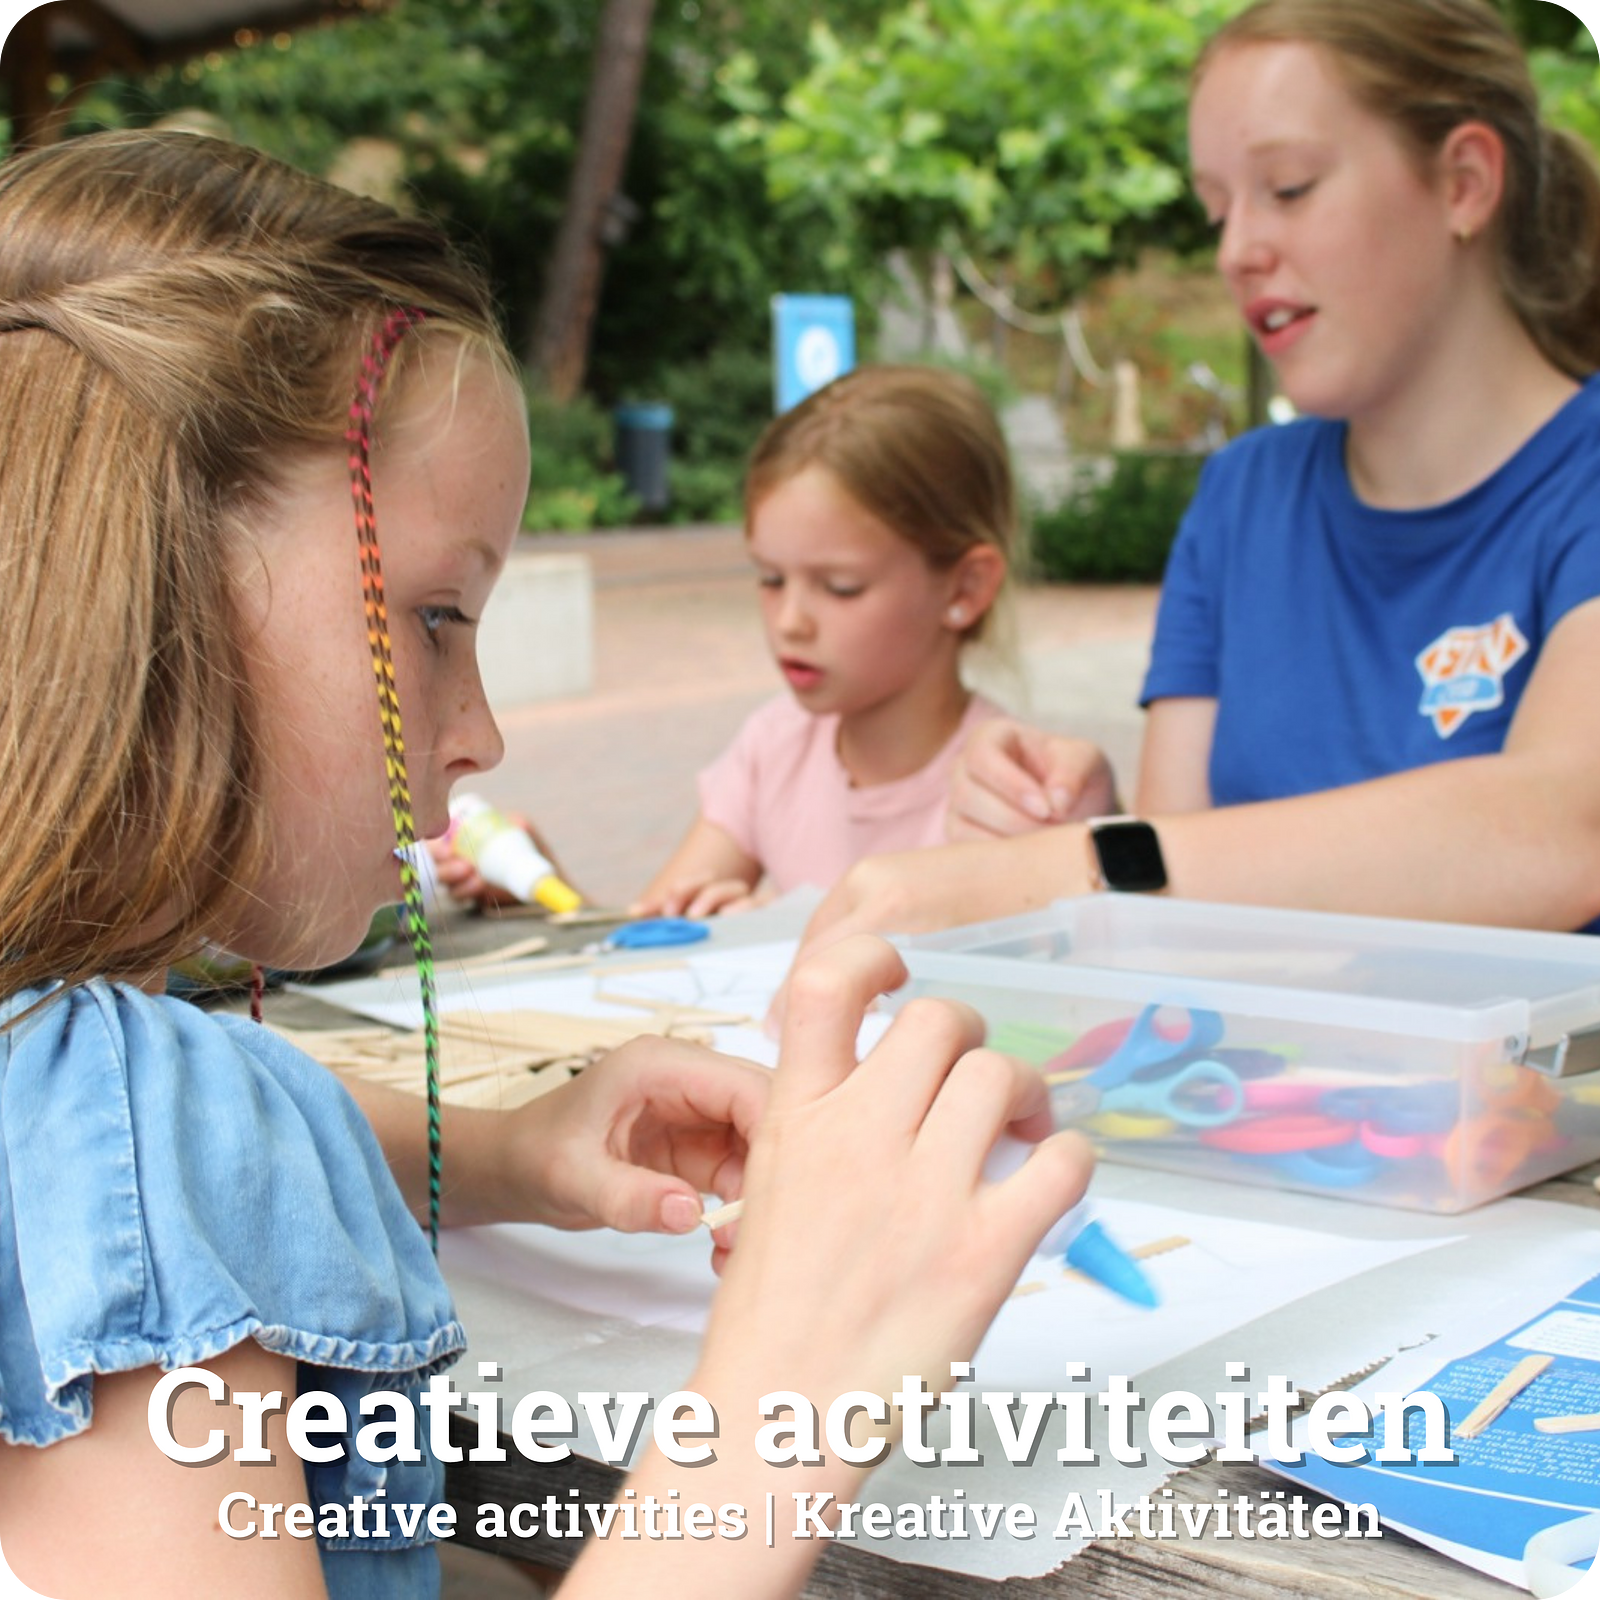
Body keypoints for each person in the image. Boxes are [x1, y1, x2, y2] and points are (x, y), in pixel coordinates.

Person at [0, 131, 1088, 1598]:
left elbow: (128, 1141)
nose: (485, 734)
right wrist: (795, 1386)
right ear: (148, 570)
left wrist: (513, 1151)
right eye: (437, 618)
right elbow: (137, 1146)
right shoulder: (131, 1115)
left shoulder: (77, 1074)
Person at [795, 0, 1600, 960]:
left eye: (1289, 188)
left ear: (1464, 183)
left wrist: (1089, 864)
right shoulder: (1239, 499)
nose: (1235, 251)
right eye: (1218, 209)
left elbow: (1560, 829)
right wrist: (1083, 822)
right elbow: (1178, 918)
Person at [433, 364, 1066, 916]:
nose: (790, 620)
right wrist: (544, 888)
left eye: (840, 587)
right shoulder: (775, 747)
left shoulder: (1014, 792)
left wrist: (773, 946)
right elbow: (648, 937)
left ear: (966, 587)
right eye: (770, 578)